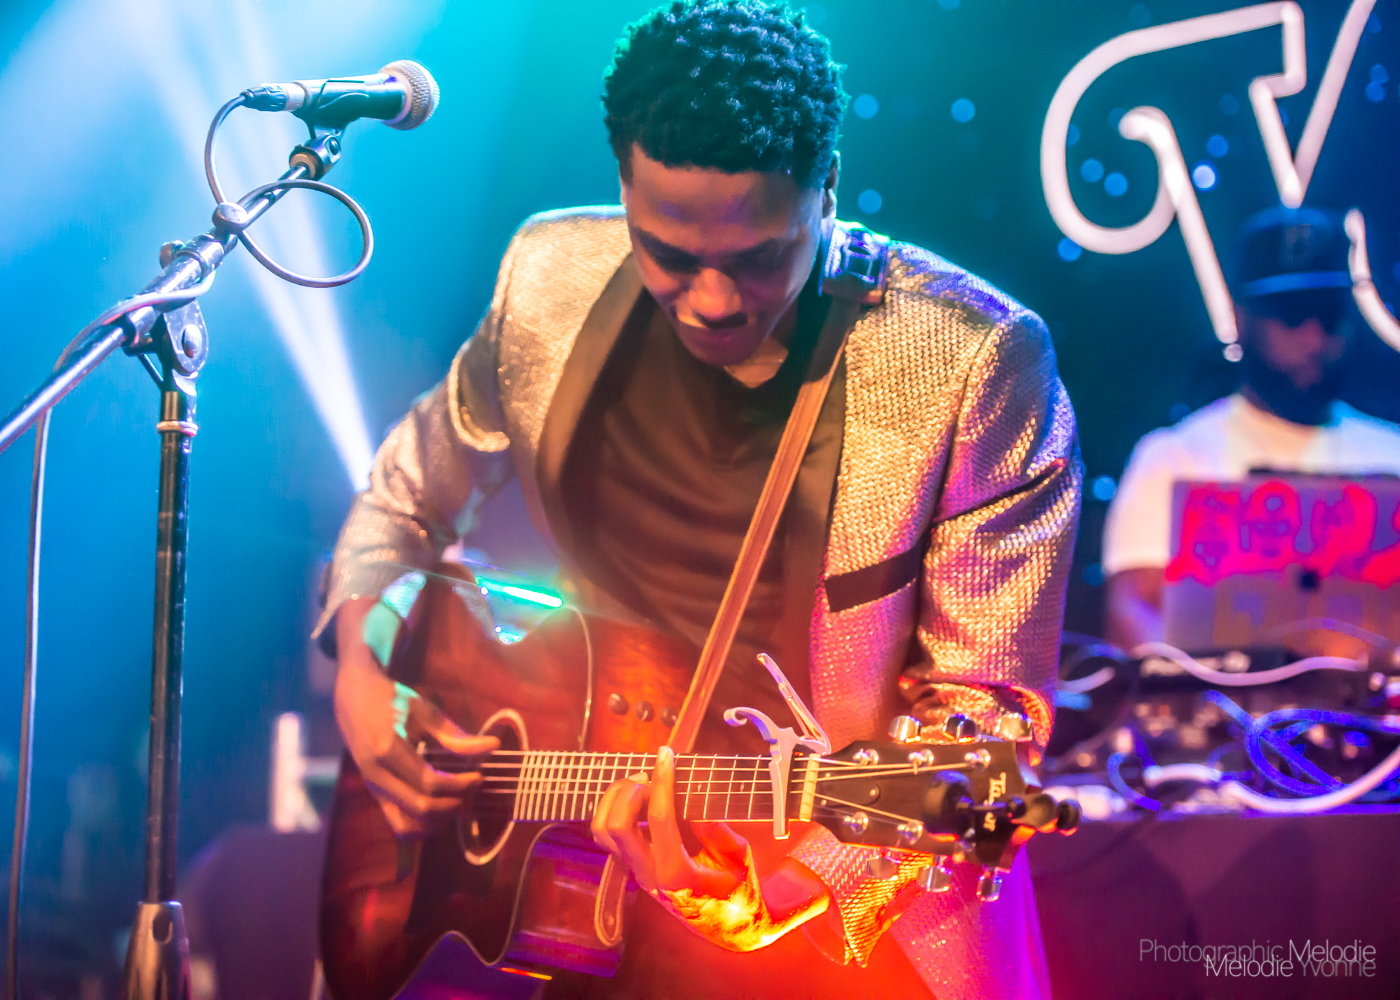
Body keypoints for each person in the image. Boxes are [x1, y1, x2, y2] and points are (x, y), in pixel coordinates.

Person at [317, 2, 1079, 997]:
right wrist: (361, 663)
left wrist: (772, 894)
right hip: (576, 906)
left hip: (853, 928)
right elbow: (406, 495)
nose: (713, 301)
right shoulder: (549, 275)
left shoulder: (970, 359)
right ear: (624, 191)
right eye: (670, 256)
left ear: (828, 189)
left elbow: (981, 719)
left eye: (759, 258)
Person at [1103, 206, 1400, 651]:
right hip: (1222, 697)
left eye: (1329, 314)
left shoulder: (1393, 455)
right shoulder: (1175, 459)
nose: (1314, 338)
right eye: (1292, 315)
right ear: (1241, 319)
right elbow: (1133, 616)